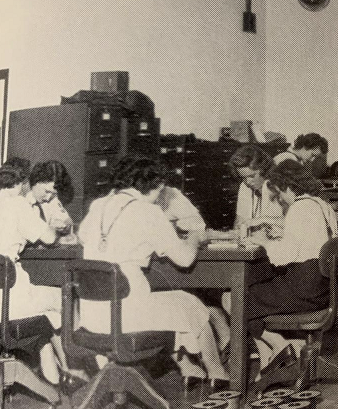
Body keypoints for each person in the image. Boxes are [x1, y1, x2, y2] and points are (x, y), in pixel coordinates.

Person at [77, 157, 229, 390]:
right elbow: (185, 259)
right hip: (127, 313)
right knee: (190, 302)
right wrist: (195, 238)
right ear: (156, 186)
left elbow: (83, 237)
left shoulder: (99, 205)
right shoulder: (148, 211)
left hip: (93, 315)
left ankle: (189, 369)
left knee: (170, 304)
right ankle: (217, 372)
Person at [221, 160, 336, 371]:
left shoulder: (299, 208)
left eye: (279, 192)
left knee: (232, 297)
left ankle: (280, 345)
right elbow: (309, 236)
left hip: (303, 289)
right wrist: (280, 232)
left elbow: (285, 256)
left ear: (286, 186)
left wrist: (262, 242)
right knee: (260, 287)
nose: (280, 198)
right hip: (323, 289)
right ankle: (271, 356)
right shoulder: (322, 204)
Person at [0, 166, 87, 387]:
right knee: (65, 300)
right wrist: (53, 230)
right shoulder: (17, 203)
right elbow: (48, 238)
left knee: (47, 310)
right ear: (22, 184)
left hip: (6, 296)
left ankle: (57, 377)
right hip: (9, 299)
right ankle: (79, 367)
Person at [228, 145, 284, 236]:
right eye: (243, 178)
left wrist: (264, 219)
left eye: (252, 176)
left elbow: (296, 223)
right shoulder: (244, 186)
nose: (248, 182)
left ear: (264, 170)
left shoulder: (279, 186)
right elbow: (240, 221)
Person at [26, 161, 74, 235]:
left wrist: (63, 227)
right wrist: (49, 228)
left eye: (54, 194)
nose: (48, 198)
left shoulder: (52, 199)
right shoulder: (20, 199)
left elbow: (68, 222)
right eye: (46, 191)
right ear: (36, 182)